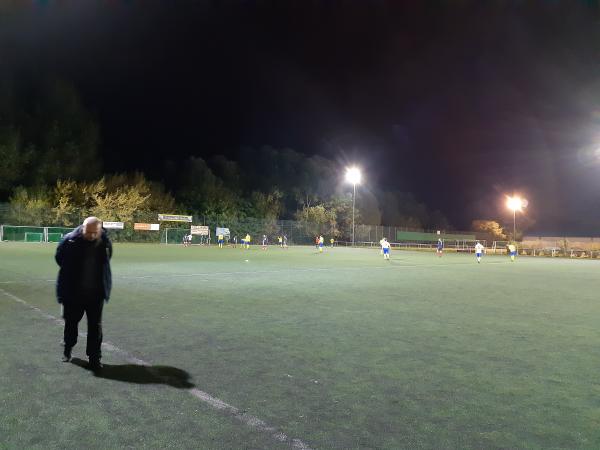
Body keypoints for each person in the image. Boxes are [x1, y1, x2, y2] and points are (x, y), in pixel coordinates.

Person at [55, 217, 112, 371]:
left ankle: (94, 358)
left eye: (95, 232)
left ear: (100, 230)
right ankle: (68, 349)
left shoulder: (105, 242)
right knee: (71, 324)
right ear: (83, 228)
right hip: (73, 294)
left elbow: (107, 260)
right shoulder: (69, 240)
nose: (92, 235)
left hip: (96, 295)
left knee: (95, 327)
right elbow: (59, 258)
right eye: (89, 232)